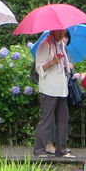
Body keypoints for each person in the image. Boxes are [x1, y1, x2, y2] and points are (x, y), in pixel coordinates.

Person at [34, 28, 74, 158]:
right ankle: (39, 149)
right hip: (48, 88)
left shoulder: (60, 45)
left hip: (61, 88)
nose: (63, 35)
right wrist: (52, 62)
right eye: (60, 32)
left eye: (64, 33)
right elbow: (39, 67)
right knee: (46, 119)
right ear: (54, 31)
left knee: (63, 118)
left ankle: (61, 149)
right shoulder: (44, 45)